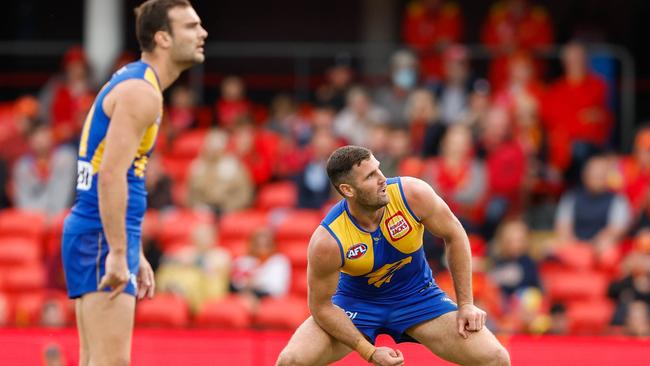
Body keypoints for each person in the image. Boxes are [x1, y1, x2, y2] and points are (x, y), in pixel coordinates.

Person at [60, 1, 207, 365]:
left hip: (102, 232)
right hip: (99, 234)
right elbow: (109, 175)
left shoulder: (138, 82)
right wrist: (116, 250)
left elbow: (124, 174)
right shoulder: (142, 93)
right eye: (190, 27)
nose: (202, 33)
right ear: (163, 38)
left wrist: (132, 248)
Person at [276, 146, 509, 366]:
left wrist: (466, 304)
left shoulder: (412, 194)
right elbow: (321, 306)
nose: (382, 179)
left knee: (496, 358)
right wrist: (369, 352)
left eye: (378, 168)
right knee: (291, 361)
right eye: (370, 176)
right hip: (356, 306)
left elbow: (455, 235)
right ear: (348, 190)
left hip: (419, 298)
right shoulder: (328, 240)